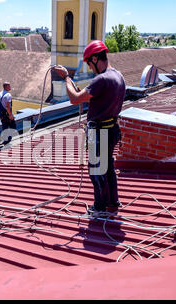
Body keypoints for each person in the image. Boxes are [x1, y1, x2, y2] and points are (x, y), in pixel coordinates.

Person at [54, 40, 126, 217]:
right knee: (108, 166)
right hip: (112, 129)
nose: (89, 67)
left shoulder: (101, 79)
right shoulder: (118, 76)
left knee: (96, 170)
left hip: (98, 132)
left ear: (95, 58)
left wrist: (66, 78)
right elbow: (98, 98)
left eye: (89, 63)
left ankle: (100, 208)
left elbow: (74, 99)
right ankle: (112, 202)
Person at [0, 82, 16, 147]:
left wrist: (1, 110)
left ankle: (5, 140)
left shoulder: (0, 93)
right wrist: (10, 114)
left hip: (1, 112)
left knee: (4, 126)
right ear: (6, 87)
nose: (10, 87)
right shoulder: (8, 95)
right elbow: (8, 106)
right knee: (13, 126)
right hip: (6, 113)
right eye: (9, 86)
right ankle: (8, 140)